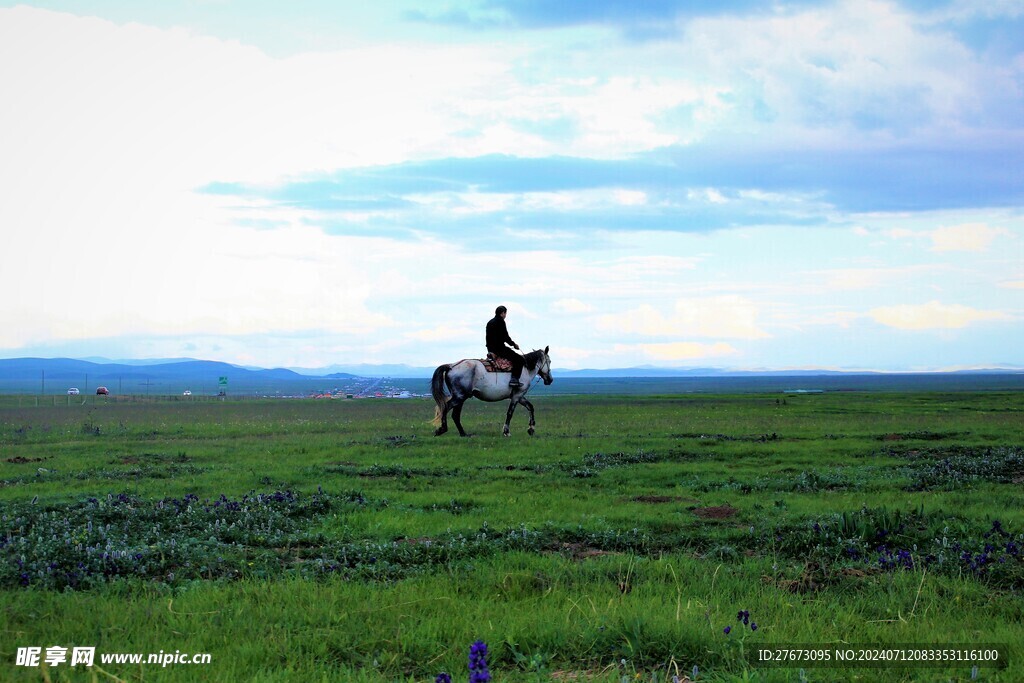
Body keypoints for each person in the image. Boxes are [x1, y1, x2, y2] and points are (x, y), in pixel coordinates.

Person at [486, 305, 525, 387]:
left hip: (491, 350)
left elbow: (487, 338)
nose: (505, 316)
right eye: (505, 313)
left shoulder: (489, 322)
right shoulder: (501, 321)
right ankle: (514, 380)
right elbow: (505, 337)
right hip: (500, 349)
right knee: (520, 360)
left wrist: (490, 350)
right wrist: (514, 344)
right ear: (502, 313)